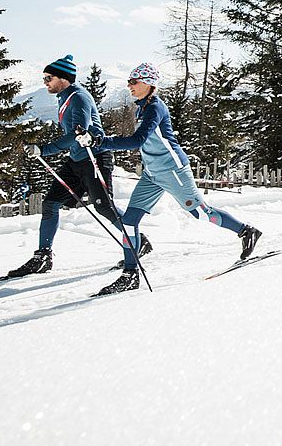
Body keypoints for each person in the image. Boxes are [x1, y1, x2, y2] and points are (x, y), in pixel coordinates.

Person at [84, 61, 260, 295]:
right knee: (129, 221)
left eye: (133, 82)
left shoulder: (155, 107)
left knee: (200, 213)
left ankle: (246, 231)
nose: (130, 86)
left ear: (148, 83)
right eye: (129, 81)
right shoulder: (141, 107)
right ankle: (129, 274)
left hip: (173, 171)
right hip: (152, 174)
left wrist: (101, 141)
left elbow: (137, 141)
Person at [3, 54, 148, 278]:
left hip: (94, 158)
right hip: (76, 160)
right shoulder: (64, 96)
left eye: (48, 77)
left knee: (104, 208)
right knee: (51, 203)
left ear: (63, 78)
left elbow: (77, 133)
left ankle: (138, 242)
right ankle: (43, 257)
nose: (45, 82)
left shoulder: (78, 97)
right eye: (44, 77)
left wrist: (45, 149)